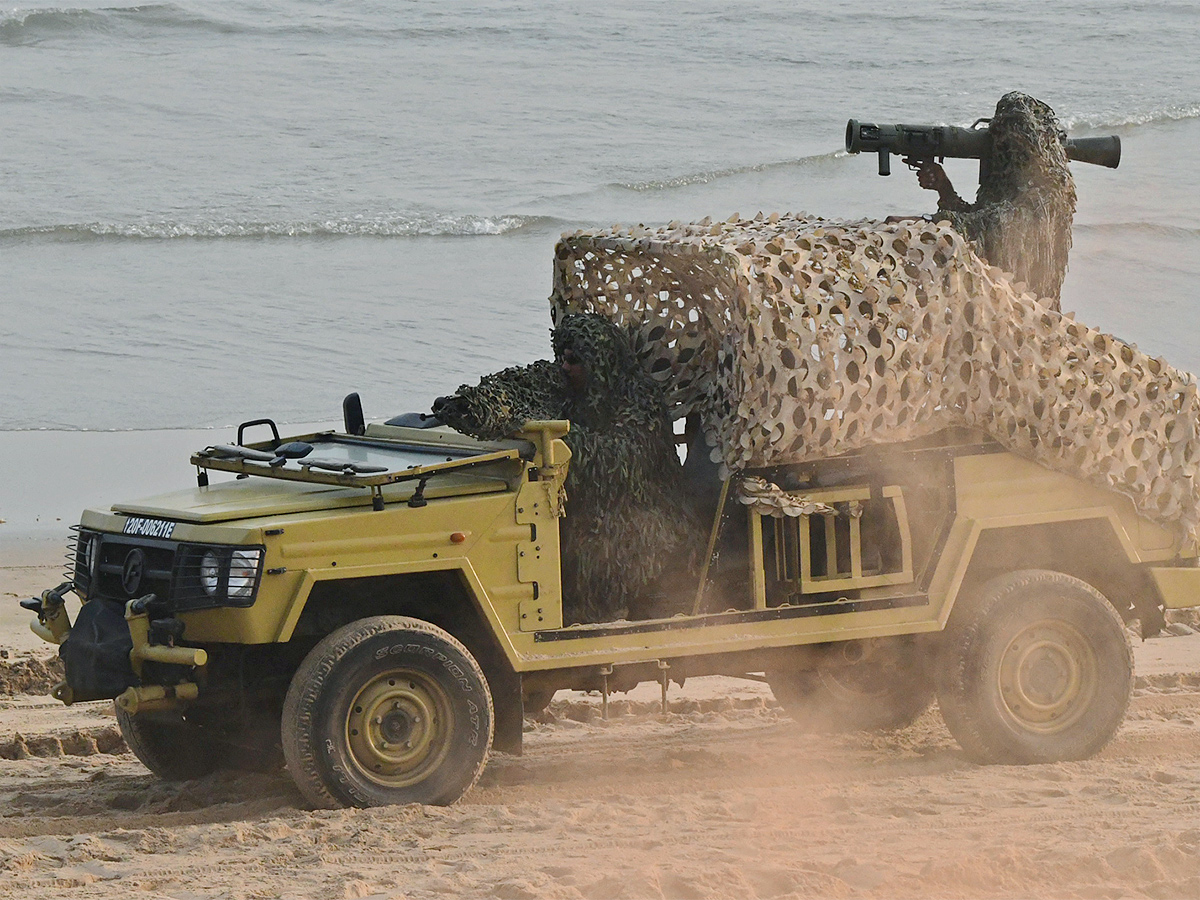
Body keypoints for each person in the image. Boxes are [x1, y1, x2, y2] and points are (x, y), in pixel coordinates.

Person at [433, 313, 702, 625]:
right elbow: (520, 386)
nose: (564, 366)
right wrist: (475, 406)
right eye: (561, 356)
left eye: (574, 359)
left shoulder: (639, 399)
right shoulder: (565, 387)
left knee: (600, 541)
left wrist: (560, 437)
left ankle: (594, 619)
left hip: (647, 510)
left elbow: (623, 461)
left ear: (598, 361)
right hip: (590, 504)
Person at [911, 92, 1077, 310]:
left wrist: (928, 222)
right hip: (993, 299)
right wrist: (944, 188)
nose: (1005, 146)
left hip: (1028, 309)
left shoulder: (1049, 187)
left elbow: (996, 227)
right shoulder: (1005, 179)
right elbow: (980, 218)